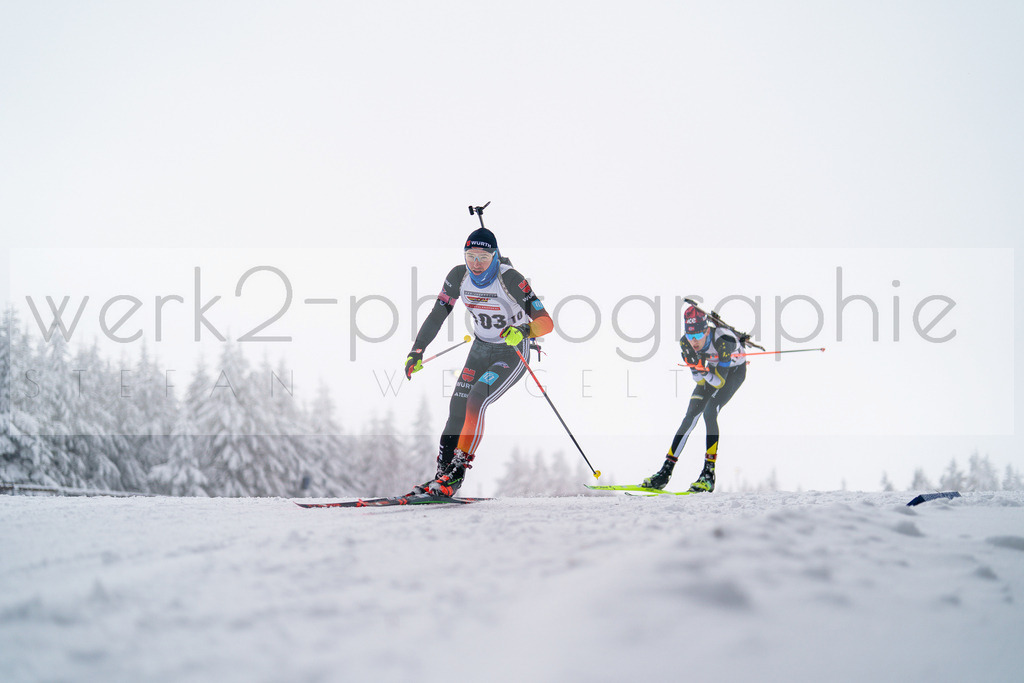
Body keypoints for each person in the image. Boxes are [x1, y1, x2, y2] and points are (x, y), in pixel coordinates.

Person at [404, 227, 554, 496]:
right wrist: (417, 350)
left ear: (495, 256)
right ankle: (441, 476)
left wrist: (523, 330)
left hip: (511, 352)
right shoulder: (458, 276)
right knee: (457, 407)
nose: (476, 263)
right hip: (480, 349)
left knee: (476, 399)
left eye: (483, 257)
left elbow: (546, 322)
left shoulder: (510, 279)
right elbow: (438, 313)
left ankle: (456, 473)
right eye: (470, 256)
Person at [642, 304, 747, 493]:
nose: (694, 341)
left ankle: (708, 475)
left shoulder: (724, 340)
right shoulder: (686, 343)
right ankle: (665, 472)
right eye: (691, 336)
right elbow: (699, 381)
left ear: (706, 331)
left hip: (732, 373)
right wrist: (696, 367)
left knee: (709, 412)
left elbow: (719, 382)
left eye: (698, 335)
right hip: (712, 372)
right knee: (690, 416)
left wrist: (702, 370)